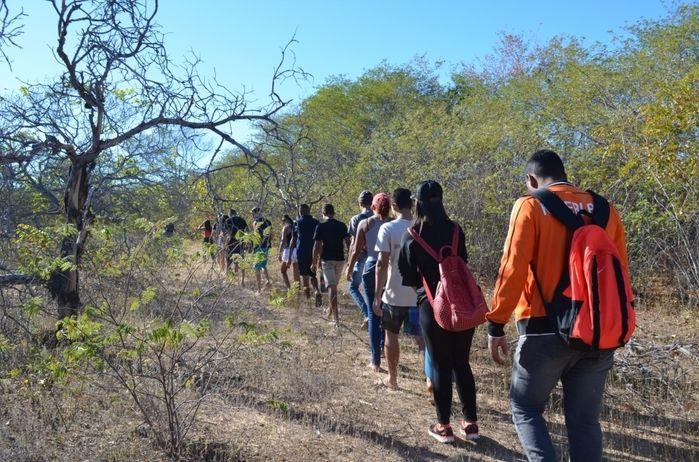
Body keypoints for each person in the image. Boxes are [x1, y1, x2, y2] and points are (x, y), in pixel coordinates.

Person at [487, 150, 630, 462]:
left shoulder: (530, 205)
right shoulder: (605, 209)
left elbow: (512, 269)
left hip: (542, 331)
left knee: (525, 408)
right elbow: (621, 275)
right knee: (585, 422)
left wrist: (496, 323)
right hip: (598, 333)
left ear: (532, 179)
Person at [399, 180, 479, 443]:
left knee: (442, 366)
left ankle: (444, 427)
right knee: (462, 364)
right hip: (463, 305)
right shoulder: (456, 230)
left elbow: (408, 275)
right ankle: (471, 425)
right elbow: (463, 261)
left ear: (418, 202)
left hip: (432, 305)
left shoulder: (412, 234)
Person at [373, 188, 431, 391]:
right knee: (423, 341)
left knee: (391, 335)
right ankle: (430, 380)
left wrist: (377, 295)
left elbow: (381, 263)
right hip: (419, 295)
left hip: (394, 293)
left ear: (394, 206)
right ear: (412, 204)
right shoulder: (423, 227)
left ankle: (393, 379)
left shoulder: (388, 229)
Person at [346, 193, 389, 371]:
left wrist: (349, 268)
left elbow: (356, 249)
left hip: (372, 266)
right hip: (390, 269)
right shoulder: (392, 223)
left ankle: (375, 360)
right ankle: (383, 348)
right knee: (385, 311)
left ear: (373, 206)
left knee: (373, 313)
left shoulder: (365, 223)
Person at [312, 204, 350, 325]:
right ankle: (329, 312)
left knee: (332, 289)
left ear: (323, 213)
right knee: (333, 287)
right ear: (334, 212)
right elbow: (348, 242)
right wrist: (350, 258)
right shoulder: (342, 225)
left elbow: (316, 246)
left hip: (327, 260)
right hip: (340, 260)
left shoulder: (321, 226)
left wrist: (313, 262)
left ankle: (336, 319)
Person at [347, 190, 374, 327]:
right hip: (378, 258)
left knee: (353, 287)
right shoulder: (379, 217)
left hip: (362, 257)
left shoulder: (357, 219)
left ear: (360, 203)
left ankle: (367, 314)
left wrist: (349, 264)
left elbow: (353, 244)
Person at [290, 204, 322, 306]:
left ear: (300, 212)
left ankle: (308, 299)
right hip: (313, 251)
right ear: (308, 211)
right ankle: (316, 290)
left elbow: (294, 239)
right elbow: (320, 240)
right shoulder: (316, 222)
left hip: (302, 252)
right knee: (313, 274)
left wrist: (290, 254)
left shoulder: (297, 223)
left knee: (304, 277)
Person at [251, 207, 272, 291]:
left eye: (253, 213)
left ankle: (259, 289)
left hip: (258, 247)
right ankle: (267, 280)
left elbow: (261, 235)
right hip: (266, 246)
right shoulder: (268, 222)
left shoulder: (256, 223)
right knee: (263, 264)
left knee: (257, 267)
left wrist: (259, 243)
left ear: (258, 213)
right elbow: (270, 234)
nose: (252, 215)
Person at [226, 209, 248, 286]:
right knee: (241, 261)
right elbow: (247, 232)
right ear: (236, 213)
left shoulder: (228, 220)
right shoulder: (242, 220)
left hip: (231, 243)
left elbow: (227, 233)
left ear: (229, 214)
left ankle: (229, 280)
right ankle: (242, 281)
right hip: (241, 243)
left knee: (229, 261)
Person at [278, 214, 299, 289]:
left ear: (285, 220)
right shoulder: (296, 226)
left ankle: (289, 289)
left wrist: (279, 253)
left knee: (283, 271)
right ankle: (297, 289)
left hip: (288, 250)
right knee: (296, 270)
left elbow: (283, 241)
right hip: (296, 250)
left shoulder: (286, 227)